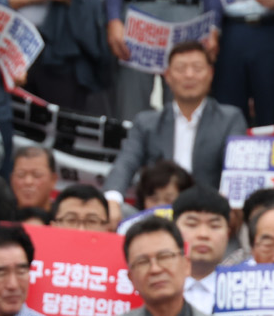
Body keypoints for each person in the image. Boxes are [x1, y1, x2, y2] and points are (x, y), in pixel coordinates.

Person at [102, 43, 245, 202]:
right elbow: (126, 163)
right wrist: (112, 198)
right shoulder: (146, 122)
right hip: (157, 210)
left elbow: (236, 169)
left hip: (206, 208)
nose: (189, 75)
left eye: (197, 68)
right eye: (181, 69)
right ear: (168, 76)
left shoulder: (230, 119)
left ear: (210, 74)